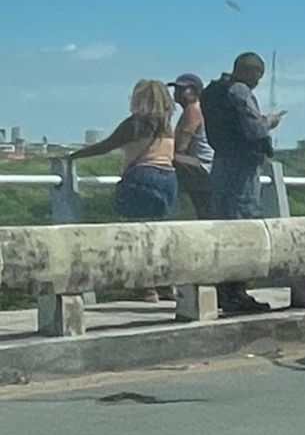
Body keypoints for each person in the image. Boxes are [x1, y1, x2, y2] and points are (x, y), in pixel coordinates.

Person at [201, 51, 284, 315]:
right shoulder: (239, 91)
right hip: (242, 167)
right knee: (242, 225)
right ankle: (236, 293)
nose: (258, 82)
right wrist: (269, 121)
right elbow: (254, 129)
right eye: (257, 76)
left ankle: (223, 289)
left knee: (223, 225)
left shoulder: (211, 91)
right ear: (250, 71)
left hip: (221, 164)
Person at [68, 80, 178, 222]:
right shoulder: (167, 126)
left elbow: (105, 146)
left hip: (142, 174)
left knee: (133, 221)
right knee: (157, 224)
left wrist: (73, 155)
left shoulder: (134, 124)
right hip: (169, 177)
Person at [170, 72, 212, 217]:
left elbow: (182, 144)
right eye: (177, 89)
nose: (177, 93)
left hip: (201, 164)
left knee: (162, 157)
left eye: (183, 89)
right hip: (206, 165)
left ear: (195, 91)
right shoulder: (201, 108)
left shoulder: (193, 109)